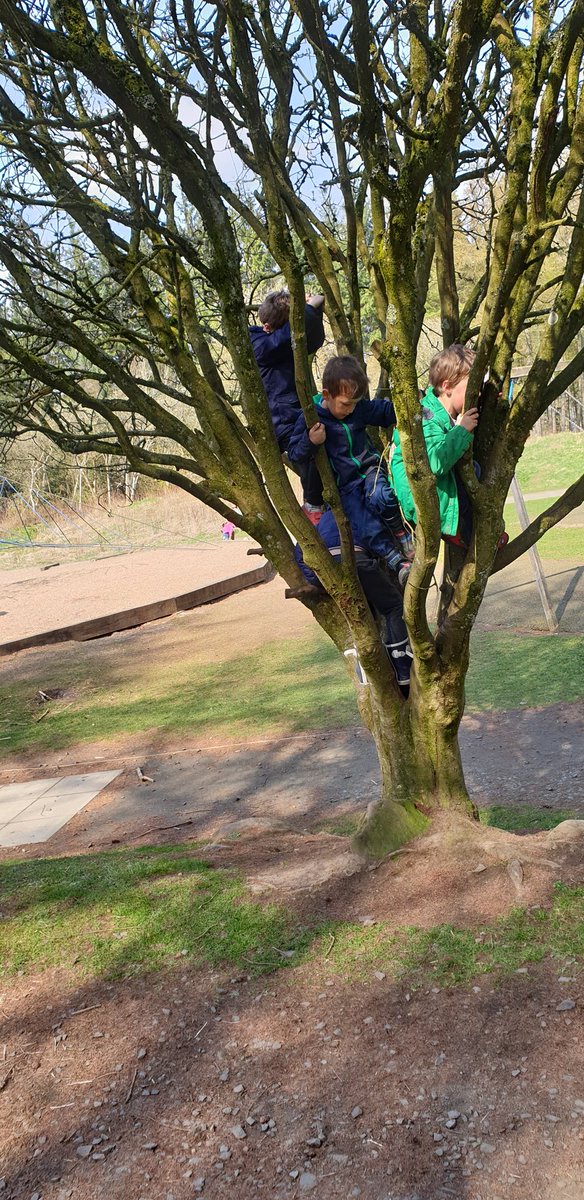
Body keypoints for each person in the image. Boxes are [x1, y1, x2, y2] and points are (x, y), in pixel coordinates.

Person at [287, 355, 412, 584]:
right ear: (327, 395)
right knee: (362, 522)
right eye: (345, 404)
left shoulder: (358, 410)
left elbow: (382, 411)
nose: (350, 409)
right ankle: (397, 561)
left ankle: (402, 534)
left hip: (370, 469)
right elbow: (295, 453)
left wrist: (410, 408)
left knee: (381, 495)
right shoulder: (312, 418)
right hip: (345, 485)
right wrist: (311, 440)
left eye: (355, 403)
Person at [293, 508, 413, 691]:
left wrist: (318, 580)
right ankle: (402, 667)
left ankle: (366, 672)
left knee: (360, 614)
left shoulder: (323, 519)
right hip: (358, 562)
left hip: (331, 570)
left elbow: (300, 552)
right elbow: (377, 539)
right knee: (393, 607)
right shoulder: (358, 507)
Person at [390, 344, 480, 546]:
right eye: (471, 388)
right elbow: (435, 461)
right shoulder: (427, 417)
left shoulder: (446, 414)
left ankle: (470, 531)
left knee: (474, 468)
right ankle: (464, 532)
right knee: (471, 472)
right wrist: (462, 431)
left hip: (434, 492)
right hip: (423, 501)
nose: (476, 394)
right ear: (447, 387)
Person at [249, 289, 326, 523]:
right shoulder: (260, 342)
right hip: (283, 421)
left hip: (295, 416)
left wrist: (312, 305)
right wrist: (308, 307)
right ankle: (313, 504)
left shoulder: (281, 339)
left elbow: (315, 336)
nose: (266, 327)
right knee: (308, 453)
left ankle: (318, 504)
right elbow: (295, 331)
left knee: (323, 447)